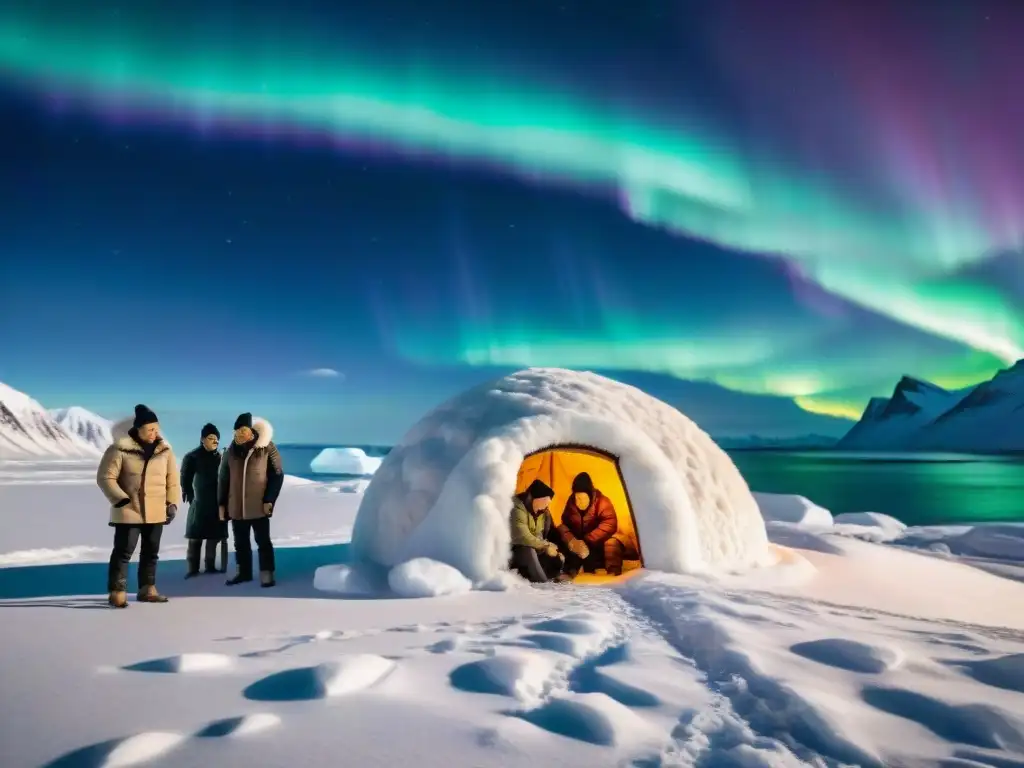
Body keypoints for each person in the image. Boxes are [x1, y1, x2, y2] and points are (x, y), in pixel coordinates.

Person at [96, 404, 181, 608]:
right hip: (129, 510)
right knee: (124, 552)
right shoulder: (120, 449)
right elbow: (105, 477)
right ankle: (117, 592)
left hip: (156, 511)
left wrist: (172, 504)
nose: (155, 433)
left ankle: (148, 589)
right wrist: (121, 499)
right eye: (150, 429)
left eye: (156, 429)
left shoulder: (165, 450)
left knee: (151, 552)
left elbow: (173, 480)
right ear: (139, 429)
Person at [219, 413, 284, 588]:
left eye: (243, 430)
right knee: (240, 542)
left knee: (263, 541)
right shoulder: (230, 451)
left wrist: (269, 499)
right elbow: (224, 478)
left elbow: (277, 476)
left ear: (251, 431)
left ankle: (267, 574)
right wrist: (222, 503)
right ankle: (244, 573)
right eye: (236, 430)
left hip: (259, 505)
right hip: (236, 506)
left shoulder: (267, 448)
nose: (239, 434)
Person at [181, 423, 228, 577]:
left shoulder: (221, 458)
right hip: (199, 502)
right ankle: (192, 568)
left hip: (215, 502)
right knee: (196, 537)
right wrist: (188, 493)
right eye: (211, 438)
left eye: (217, 439)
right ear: (203, 439)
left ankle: (210, 566)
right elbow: (185, 478)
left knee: (213, 537)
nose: (215, 441)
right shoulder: (192, 457)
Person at [556, 472, 625, 576]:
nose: (580, 502)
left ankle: (613, 576)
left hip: (597, 545)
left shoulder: (602, 501)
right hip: (578, 546)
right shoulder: (571, 503)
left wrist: (587, 540)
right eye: (577, 499)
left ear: (590, 495)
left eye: (583, 498)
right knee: (560, 532)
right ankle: (566, 570)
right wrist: (572, 541)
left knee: (612, 543)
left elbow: (610, 524)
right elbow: (564, 524)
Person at [510, 478, 569, 583]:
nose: (547, 506)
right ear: (537, 499)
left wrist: (553, 548)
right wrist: (545, 546)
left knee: (554, 554)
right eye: (545, 503)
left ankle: (551, 576)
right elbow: (522, 537)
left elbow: (543, 533)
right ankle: (542, 582)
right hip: (514, 551)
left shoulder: (542, 513)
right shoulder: (517, 508)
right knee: (529, 550)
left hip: (533, 546)